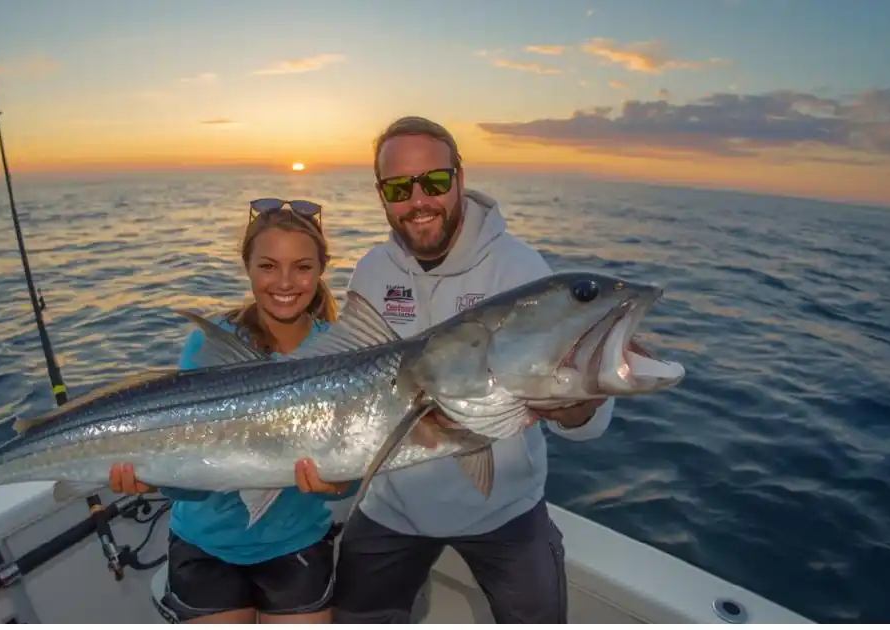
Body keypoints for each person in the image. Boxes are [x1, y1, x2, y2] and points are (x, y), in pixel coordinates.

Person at [326, 116, 617, 624]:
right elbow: (352, 391)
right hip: (390, 507)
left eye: (434, 182)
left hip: (504, 509)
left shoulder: (520, 270)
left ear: (460, 177)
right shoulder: (372, 269)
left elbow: (587, 420)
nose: (419, 201)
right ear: (381, 195)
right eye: (398, 187)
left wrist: (579, 409)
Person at [108, 198, 360, 624]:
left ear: (322, 269)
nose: (285, 282)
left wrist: (336, 486)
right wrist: (151, 477)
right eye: (267, 266)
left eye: (302, 266)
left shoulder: (340, 350)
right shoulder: (208, 344)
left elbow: (351, 465)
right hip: (205, 546)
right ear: (247, 266)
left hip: (296, 544)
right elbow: (188, 480)